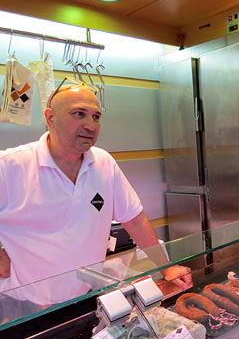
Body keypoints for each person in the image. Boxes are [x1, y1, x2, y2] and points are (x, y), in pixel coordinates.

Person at [0, 82, 192, 300]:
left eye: (96, 117)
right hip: (23, 305)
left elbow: (135, 220)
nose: (90, 126)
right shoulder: (9, 166)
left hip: (86, 295)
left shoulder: (103, 162)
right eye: (79, 114)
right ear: (50, 118)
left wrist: (166, 268)